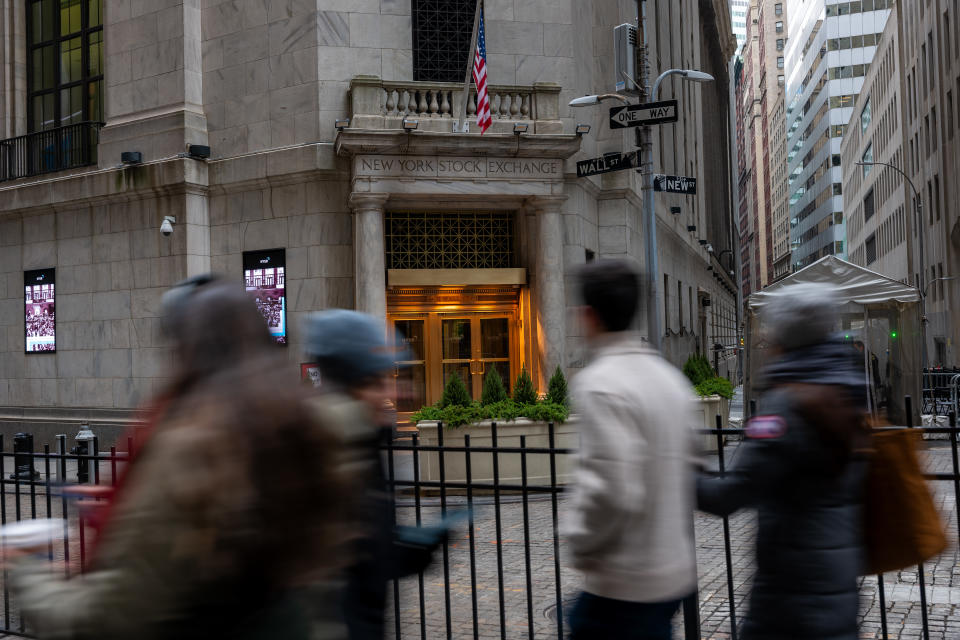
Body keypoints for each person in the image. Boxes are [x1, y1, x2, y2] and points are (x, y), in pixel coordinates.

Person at [9, 275, 347, 639]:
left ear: (186, 349)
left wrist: (27, 567)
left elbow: (104, 620)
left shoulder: (192, 450)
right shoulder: (299, 432)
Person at [697, 282, 869, 640]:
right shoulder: (846, 391)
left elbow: (732, 492)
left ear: (784, 337)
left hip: (788, 598)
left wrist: (681, 473)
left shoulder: (786, 404)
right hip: (838, 589)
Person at [565, 259, 699, 640]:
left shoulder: (600, 384)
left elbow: (611, 489)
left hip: (623, 581)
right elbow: (692, 465)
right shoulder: (671, 379)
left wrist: (579, 539)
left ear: (588, 315)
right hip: (671, 573)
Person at [303, 310, 448, 640]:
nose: (396, 394)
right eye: (381, 381)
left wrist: (414, 548)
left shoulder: (362, 442)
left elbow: (365, 555)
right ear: (353, 385)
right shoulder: (327, 447)